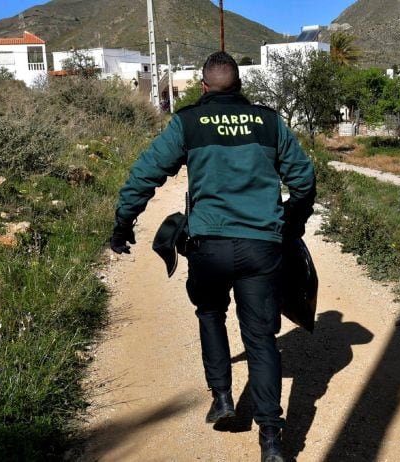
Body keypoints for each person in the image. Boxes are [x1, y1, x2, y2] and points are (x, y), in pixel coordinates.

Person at [109, 51, 316, 462]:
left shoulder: (187, 122)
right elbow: (304, 180)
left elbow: (146, 172)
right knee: (261, 339)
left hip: (209, 247)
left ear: (203, 87)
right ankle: (271, 438)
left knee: (210, 314)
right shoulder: (269, 122)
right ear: (240, 85)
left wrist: (123, 221)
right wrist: (290, 222)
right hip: (261, 247)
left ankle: (222, 398)